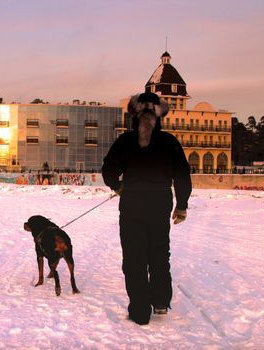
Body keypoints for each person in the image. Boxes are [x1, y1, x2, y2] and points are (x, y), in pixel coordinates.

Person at [101, 92, 192, 325]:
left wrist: (118, 186)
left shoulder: (125, 142)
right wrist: (181, 205)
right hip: (160, 204)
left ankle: (140, 310)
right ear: (160, 115)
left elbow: (108, 171)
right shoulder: (170, 142)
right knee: (159, 254)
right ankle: (160, 302)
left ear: (134, 114)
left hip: (132, 205)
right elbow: (182, 175)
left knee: (134, 257)